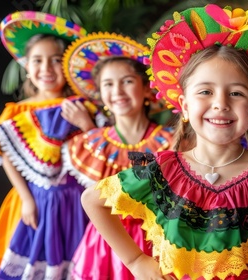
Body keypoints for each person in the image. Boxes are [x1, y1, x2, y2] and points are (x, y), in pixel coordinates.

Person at [81, 4, 248, 280]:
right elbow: (93, 200)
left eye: (236, 93)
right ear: (185, 105)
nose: (220, 104)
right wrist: (135, 260)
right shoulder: (161, 173)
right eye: (205, 91)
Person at [0, 11, 103, 279]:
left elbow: (100, 149)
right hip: (33, 198)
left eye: (56, 61)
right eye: (38, 60)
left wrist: (86, 125)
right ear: (26, 66)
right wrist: (26, 199)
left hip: (76, 201)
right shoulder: (17, 112)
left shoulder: (85, 107)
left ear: (69, 65)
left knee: (75, 258)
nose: (46, 69)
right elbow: (7, 157)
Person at [60, 32, 173, 279]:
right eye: (108, 84)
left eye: (127, 81)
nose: (118, 90)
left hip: (159, 241)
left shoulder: (171, 142)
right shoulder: (88, 144)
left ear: (146, 89)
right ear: (100, 95)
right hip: (107, 243)